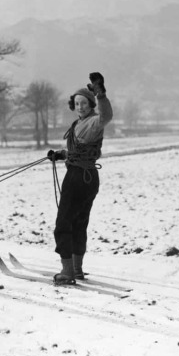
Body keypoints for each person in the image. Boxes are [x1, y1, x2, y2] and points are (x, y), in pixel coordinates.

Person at [47, 72, 113, 285]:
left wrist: (101, 94)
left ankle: (67, 273)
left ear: (92, 103)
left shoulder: (94, 121)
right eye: (77, 103)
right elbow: (82, 150)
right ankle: (77, 269)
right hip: (89, 177)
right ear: (73, 105)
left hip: (77, 177)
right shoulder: (80, 124)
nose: (80, 106)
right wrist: (61, 155)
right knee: (79, 223)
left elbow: (106, 116)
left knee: (63, 223)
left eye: (84, 103)